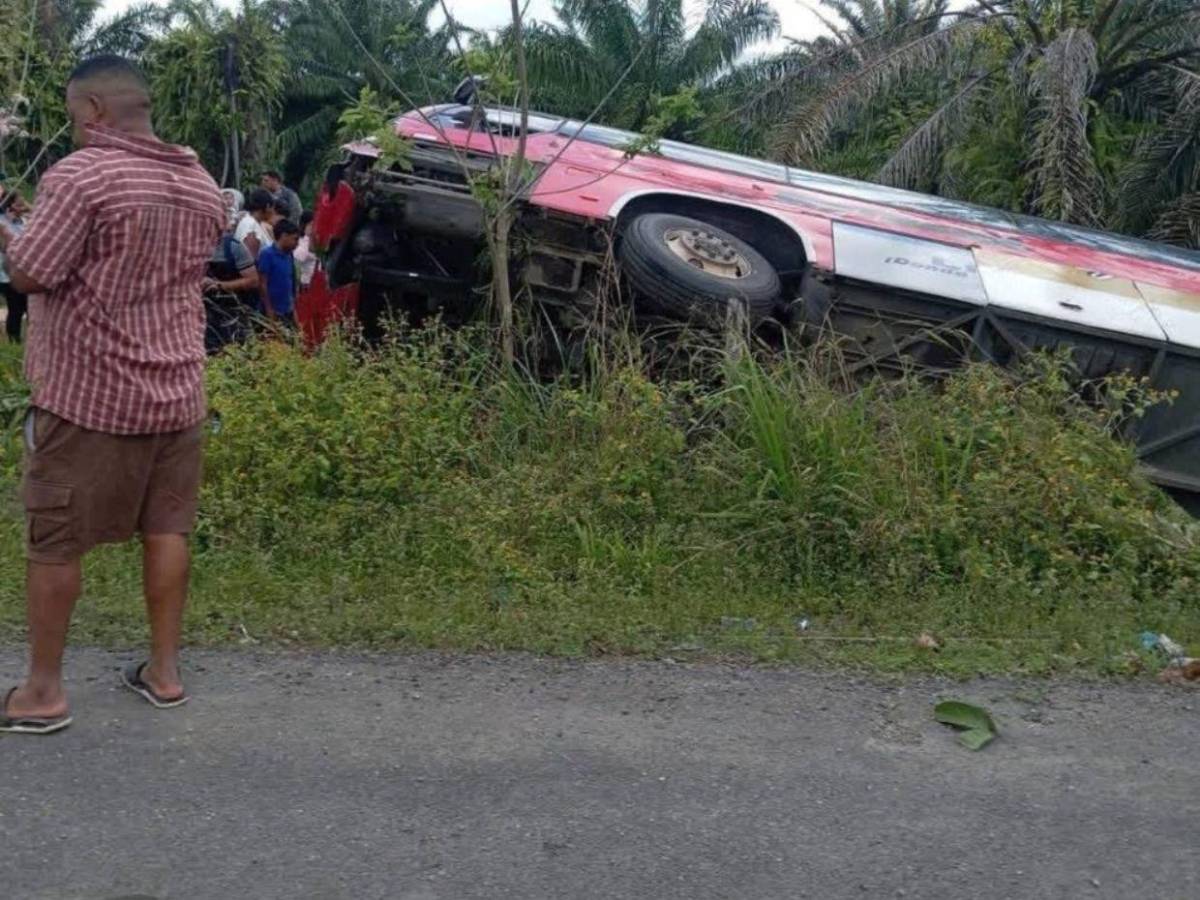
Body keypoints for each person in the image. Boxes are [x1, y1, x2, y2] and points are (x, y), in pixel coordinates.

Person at [0, 55, 224, 735]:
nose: (73, 129)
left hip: (89, 399)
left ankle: (42, 692)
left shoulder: (82, 175)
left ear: (93, 110)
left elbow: (32, 272)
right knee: (167, 529)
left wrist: (13, 236)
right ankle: (164, 673)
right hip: (177, 392)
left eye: (74, 116)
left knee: (56, 540)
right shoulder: (202, 183)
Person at [203, 228, 259, 353]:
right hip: (200, 317)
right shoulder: (189, 246)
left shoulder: (233, 246)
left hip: (231, 316)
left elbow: (253, 280)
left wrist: (219, 285)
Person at [257, 218, 301, 327]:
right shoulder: (267, 255)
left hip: (287, 310)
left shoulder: (289, 255)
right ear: (284, 236)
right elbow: (263, 284)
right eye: (294, 239)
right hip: (272, 312)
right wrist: (269, 310)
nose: (297, 244)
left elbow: (290, 283)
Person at [0, 192, 30, 342]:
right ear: (10, 206)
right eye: (19, 203)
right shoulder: (2, 223)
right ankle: (14, 340)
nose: (23, 205)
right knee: (16, 308)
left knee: (30, 308)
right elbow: (5, 248)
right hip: (7, 275)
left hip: (24, 270)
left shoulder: (23, 222)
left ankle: (31, 340)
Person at [234, 187, 275, 259]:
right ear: (267, 206)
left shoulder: (257, 224)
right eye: (272, 208)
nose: (273, 212)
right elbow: (250, 259)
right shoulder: (251, 227)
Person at [295, 210, 317, 290]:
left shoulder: (314, 241)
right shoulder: (301, 242)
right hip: (306, 284)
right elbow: (297, 260)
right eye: (311, 224)